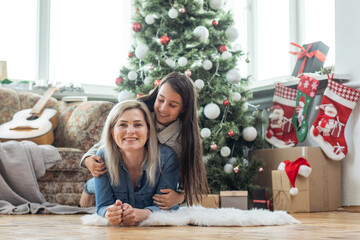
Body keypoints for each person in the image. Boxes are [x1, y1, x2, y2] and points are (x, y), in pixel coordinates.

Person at [80, 72, 209, 208]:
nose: (163, 108)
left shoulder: (186, 138)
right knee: (107, 182)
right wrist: (88, 157)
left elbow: (193, 178)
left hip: (159, 176)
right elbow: (113, 137)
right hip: (126, 168)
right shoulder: (140, 112)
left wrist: (180, 197)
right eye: (161, 100)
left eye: (172, 105)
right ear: (156, 95)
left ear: (183, 108)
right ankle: (89, 187)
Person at [95, 100, 179, 226]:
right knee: (93, 185)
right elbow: (102, 206)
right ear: (112, 132)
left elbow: (167, 206)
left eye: (138, 125)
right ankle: (89, 188)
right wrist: (109, 213)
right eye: (122, 125)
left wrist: (143, 213)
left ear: (148, 131)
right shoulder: (102, 157)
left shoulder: (166, 157)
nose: (130, 131)